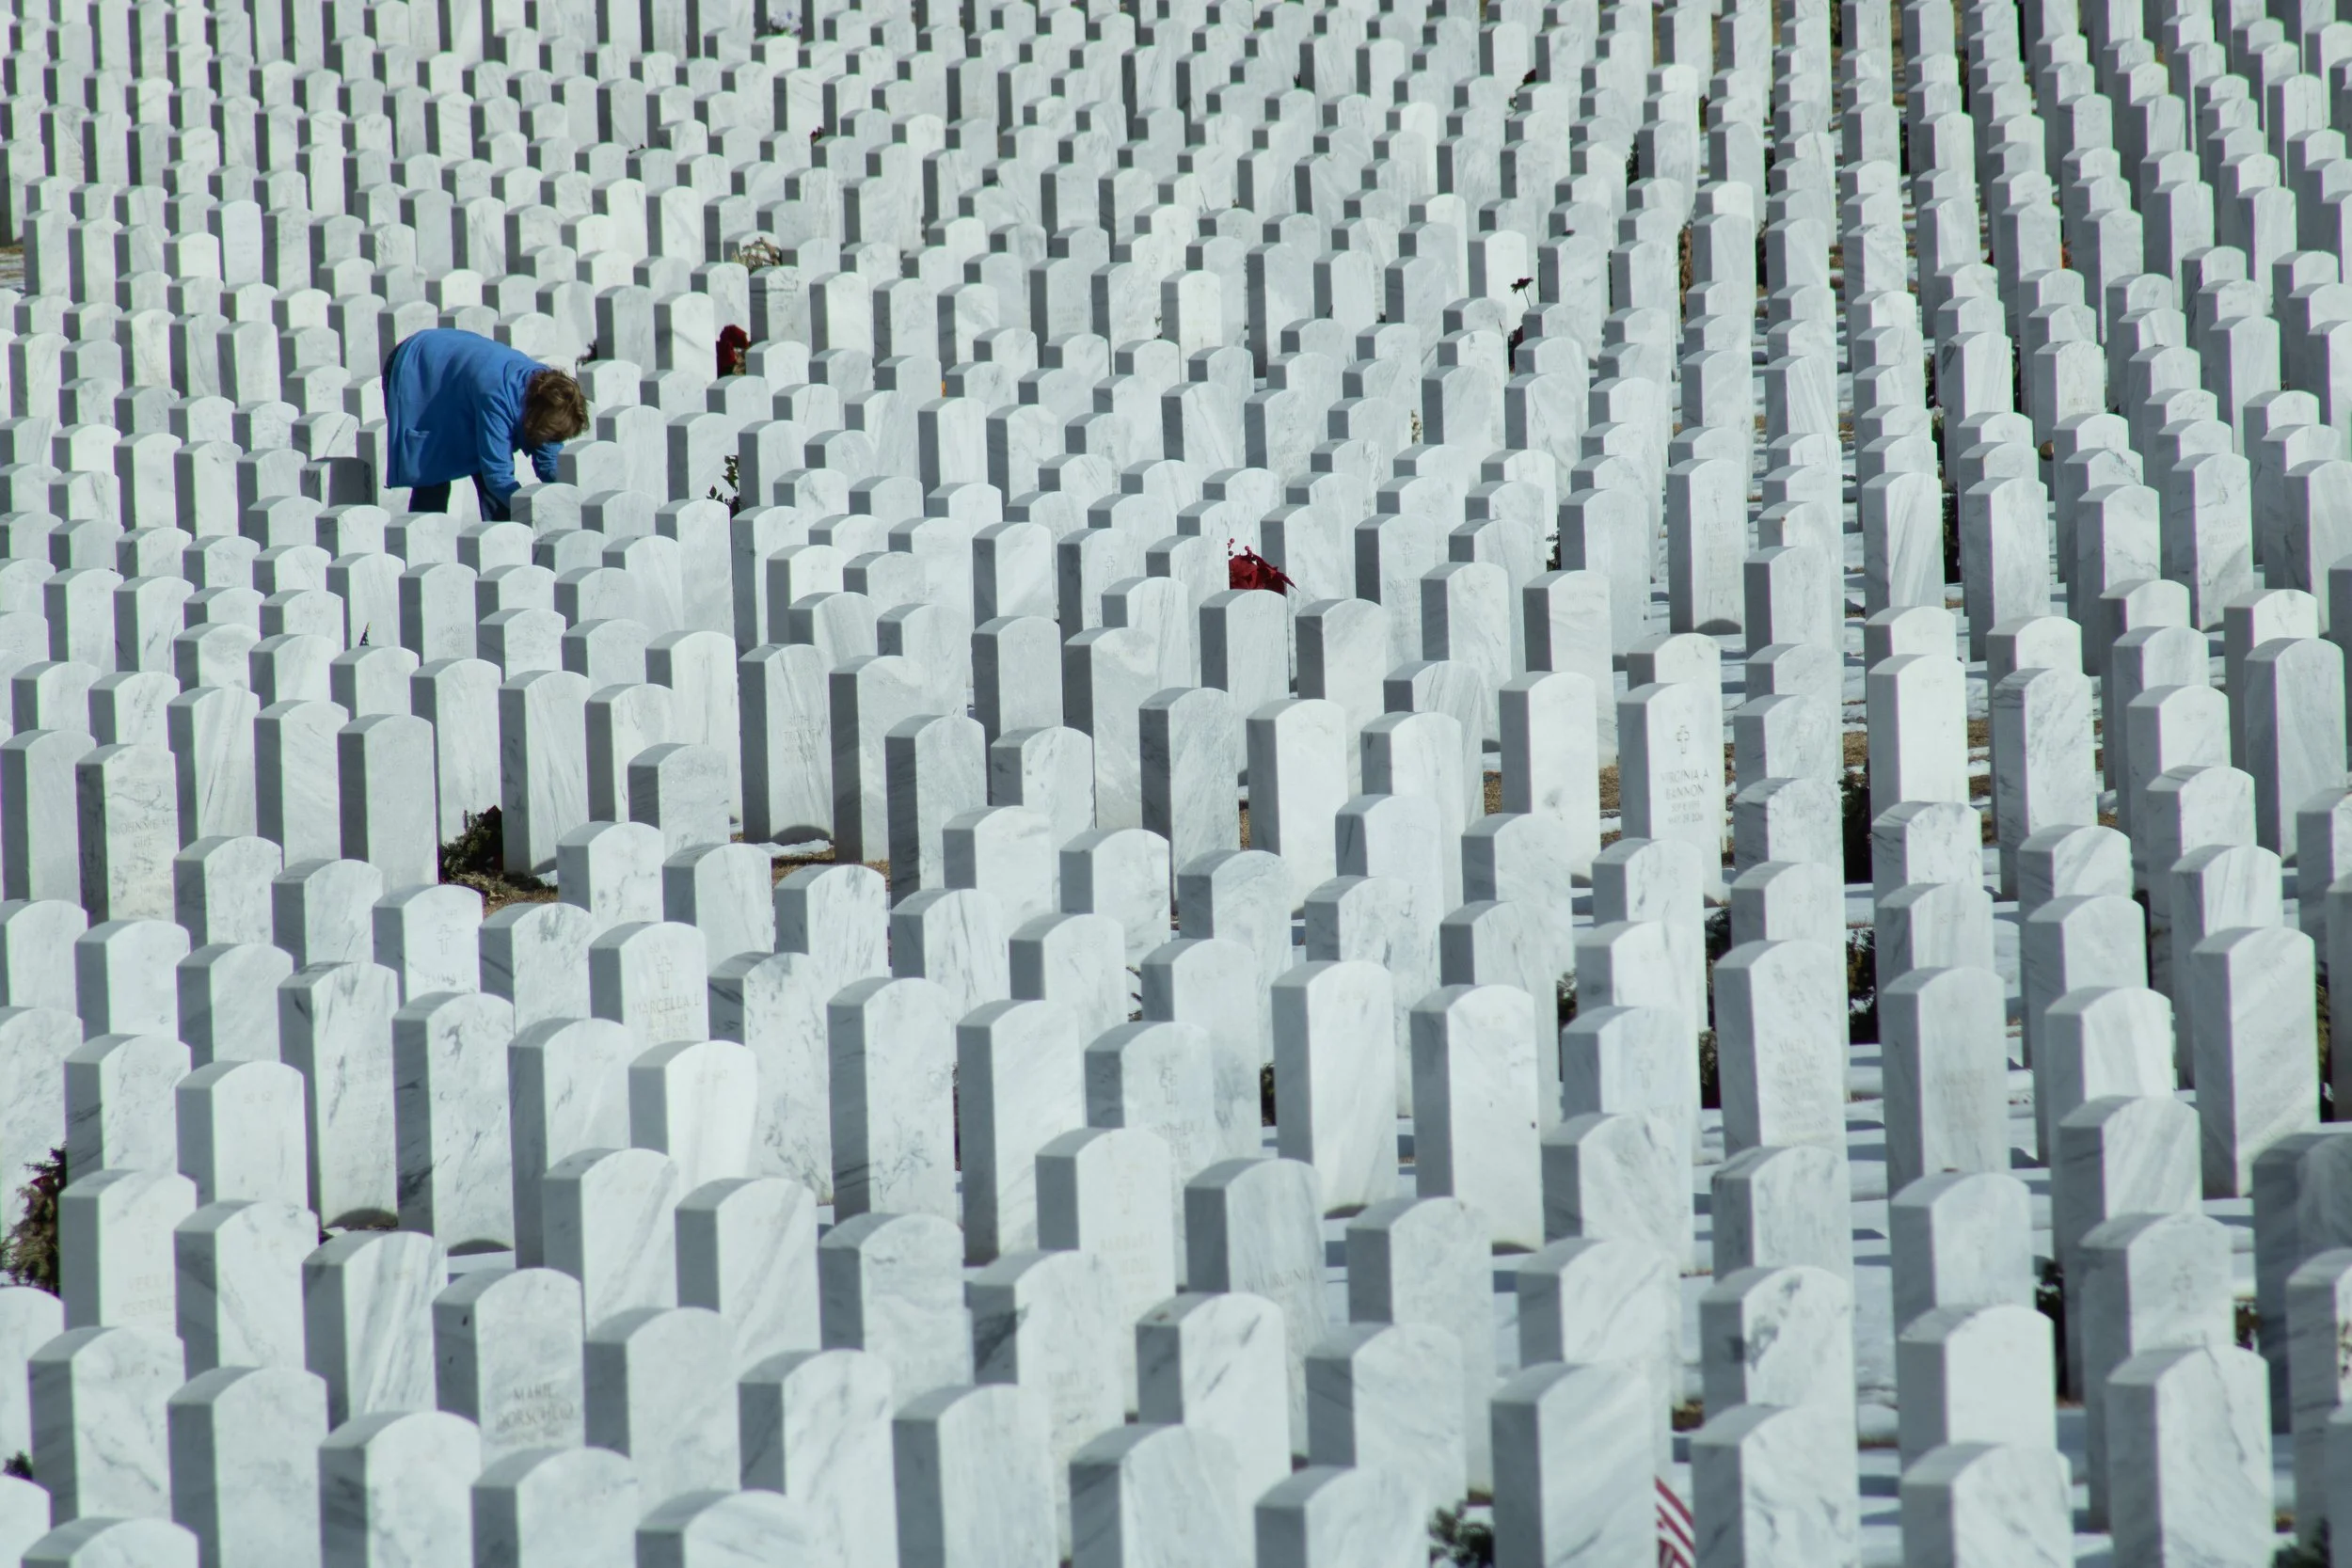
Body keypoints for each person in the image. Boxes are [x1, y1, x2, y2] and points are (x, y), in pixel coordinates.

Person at [382, 327, 590, 522]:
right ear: (537, 417)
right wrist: (531, 513)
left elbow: (549, 459)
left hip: (457, 371)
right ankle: (426, 548)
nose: (552, 439)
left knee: (491, 481)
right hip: (418, 368)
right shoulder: (498, 397)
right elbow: (498, 476)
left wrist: (563, 502)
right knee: (433, 472)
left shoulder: (550, 396)